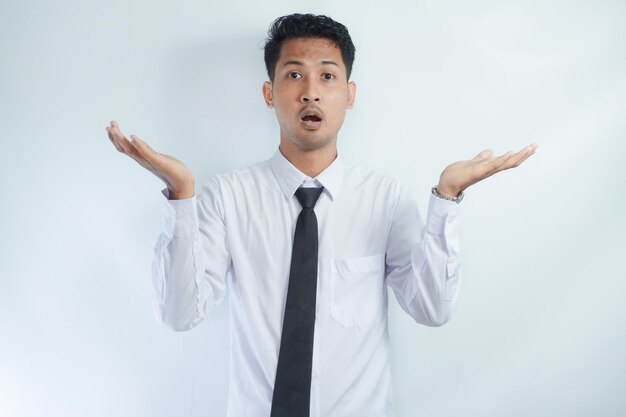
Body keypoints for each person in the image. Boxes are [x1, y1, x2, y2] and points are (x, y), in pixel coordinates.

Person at [106, 13, 537, 417]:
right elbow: (180, 314)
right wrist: (181, 197)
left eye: (327, 76)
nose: (310, 91)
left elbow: (432, 309)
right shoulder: (229, 196)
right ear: (269, 93)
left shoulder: (384, 198)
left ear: (349, 95)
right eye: (294, 74)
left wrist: (447, 197)